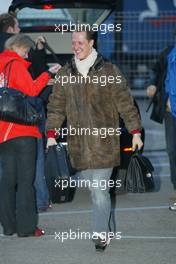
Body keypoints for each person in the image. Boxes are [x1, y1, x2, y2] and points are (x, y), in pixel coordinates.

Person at [46, 30, 143, 251]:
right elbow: (56, 107)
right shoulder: (65, 74)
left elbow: (125, 102)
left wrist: (135, 131)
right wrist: (51, 134)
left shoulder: (109, 70)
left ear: (91, 43)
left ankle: (99, 235)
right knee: (95, 191)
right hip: (78, 146)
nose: (76, 46)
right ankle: (106, 228)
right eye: (73, 42)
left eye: (80, 42)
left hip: (104, 144)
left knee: (99, 192)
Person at [0, 34, 59, 237]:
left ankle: (8, 226)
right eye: (26, 51)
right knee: (26, 182)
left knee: (7, 181)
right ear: (18, 47)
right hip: (22, 131)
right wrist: (47, 74)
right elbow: (32, 90)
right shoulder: (16, 65)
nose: (27, 55)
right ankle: (26, 228)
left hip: (2, 132)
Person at [146, 43, 176, 210]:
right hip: (170, 109)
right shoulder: (168, 52)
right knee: (172, 150)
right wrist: (152, 84)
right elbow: (156, 72)